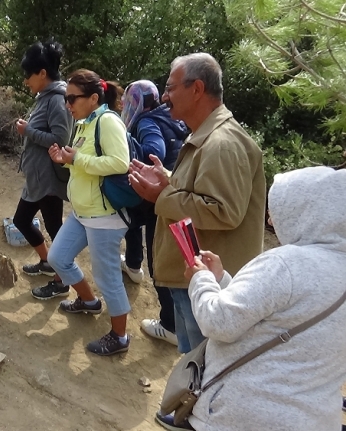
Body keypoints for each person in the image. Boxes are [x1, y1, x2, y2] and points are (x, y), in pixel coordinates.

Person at [169, 166, 346, 431]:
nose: (273, 221)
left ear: (307, 211)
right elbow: (279, 314)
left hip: (241, 415)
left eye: (279, 211)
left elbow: (219, 322)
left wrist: (201, 279)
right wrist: (223, 281)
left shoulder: (285, 264)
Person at [128, 53, 266, 355]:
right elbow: (200, 190)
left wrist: (160, 196)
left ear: (197, 89)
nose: (164, 97)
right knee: (193, 363)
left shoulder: (222, 143)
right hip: (193, 276)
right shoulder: (206, 136)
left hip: (210, 286)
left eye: (170, 87)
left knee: (204, 369)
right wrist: (165, 178)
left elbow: (222, 210)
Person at [37, 69, 132, 356]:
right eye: (67, 98)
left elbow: (119, 162)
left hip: (105, 216)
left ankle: (120, 336)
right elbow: (83, 162)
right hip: (83, 211)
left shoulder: (107, 122)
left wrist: (76, 157)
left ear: (93, 98)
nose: (68, 104)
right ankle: (89, 302)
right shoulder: (83, 124)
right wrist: (65, 160)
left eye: (72, 98)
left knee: (108, 278)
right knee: (57, 257)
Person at [119, 80, 188, 346]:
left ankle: (170, 326)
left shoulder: (146, 122)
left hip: (153, 197)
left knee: (158, 263)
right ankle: (133, 265)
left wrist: (131, 161)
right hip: (169, 193)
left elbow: (154, 152)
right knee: (132, 225)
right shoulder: (171, 119)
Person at [12, 40, 73, 296]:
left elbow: (61, 140)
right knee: (25, 221)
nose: (26, 80)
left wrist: (29, 131)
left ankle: (62, 281)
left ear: (42, 74)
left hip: (49, 178)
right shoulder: (46, 97)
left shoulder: (57, 100)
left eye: (29, 75)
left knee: (52, 227)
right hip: (39, 177)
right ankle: (49, 263)